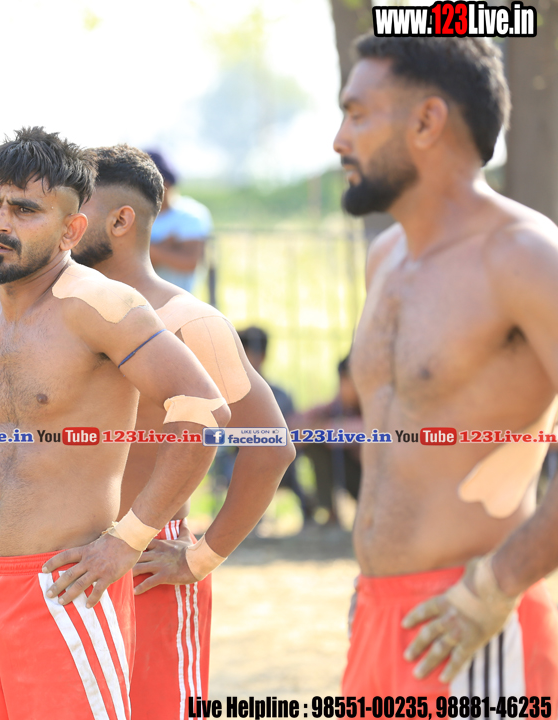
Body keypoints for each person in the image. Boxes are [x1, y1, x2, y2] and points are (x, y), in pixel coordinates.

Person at [0, 127, 231, 719]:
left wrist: (127, 540)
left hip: (67, 588)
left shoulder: (100, 304)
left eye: (25, 210)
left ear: (71, 230)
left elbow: (202, 412)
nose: (0, 222)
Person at [335, 37, 558, 696]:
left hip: (472, 625)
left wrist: (496, 586)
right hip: (379, 616)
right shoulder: (386, 257)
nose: (340, 140)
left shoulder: (524, 256)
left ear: (427, 121)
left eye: (358, 114)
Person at [69, 145, 293, 714]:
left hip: (146, 568)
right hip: (63, 558)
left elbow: (271, 448)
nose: (65, 219)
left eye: (79, 205)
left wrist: (199, 559)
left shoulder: (189, 321)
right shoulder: (58, 314)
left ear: (121, 221)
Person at [237, 326, 314, 524]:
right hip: (240, 459)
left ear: (262, 356)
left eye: (244, 355)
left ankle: (308, 513)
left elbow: (294, 435)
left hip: (280, 459)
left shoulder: (281, 396)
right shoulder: (229, 395)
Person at [289, 355, 362, 528]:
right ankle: (329, 514)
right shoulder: (340, 407)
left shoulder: (379, 406)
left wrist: (314, 429)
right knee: (315, 442)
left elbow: (360, 431)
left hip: (380, 483)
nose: (342, 387)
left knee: (317, 438)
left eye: (346, 381)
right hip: (357, 479)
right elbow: (293, 425)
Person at [144, 150, 213, 295]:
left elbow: (190, 262)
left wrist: (149, 250)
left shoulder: (191, 215)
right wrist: (166, 247)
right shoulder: (136, 214)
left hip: (180, 299)